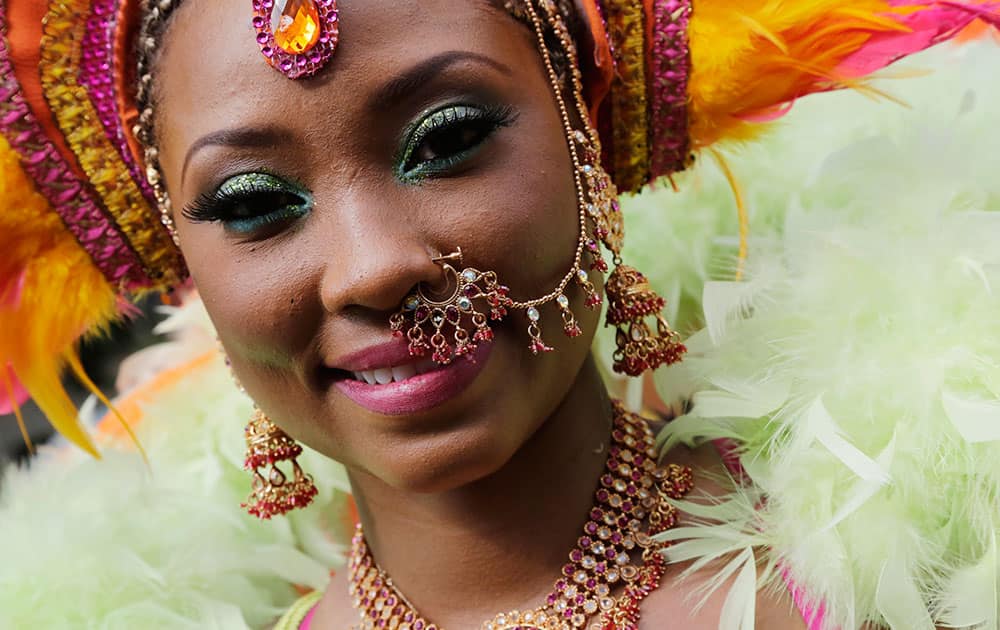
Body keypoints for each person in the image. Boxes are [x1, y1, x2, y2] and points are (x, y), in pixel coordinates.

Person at [1, 1, 997, 628]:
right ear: (192, 272)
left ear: (586, 144)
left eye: (448, 137)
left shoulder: (916, 556)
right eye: (253, 203)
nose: (372, 268)